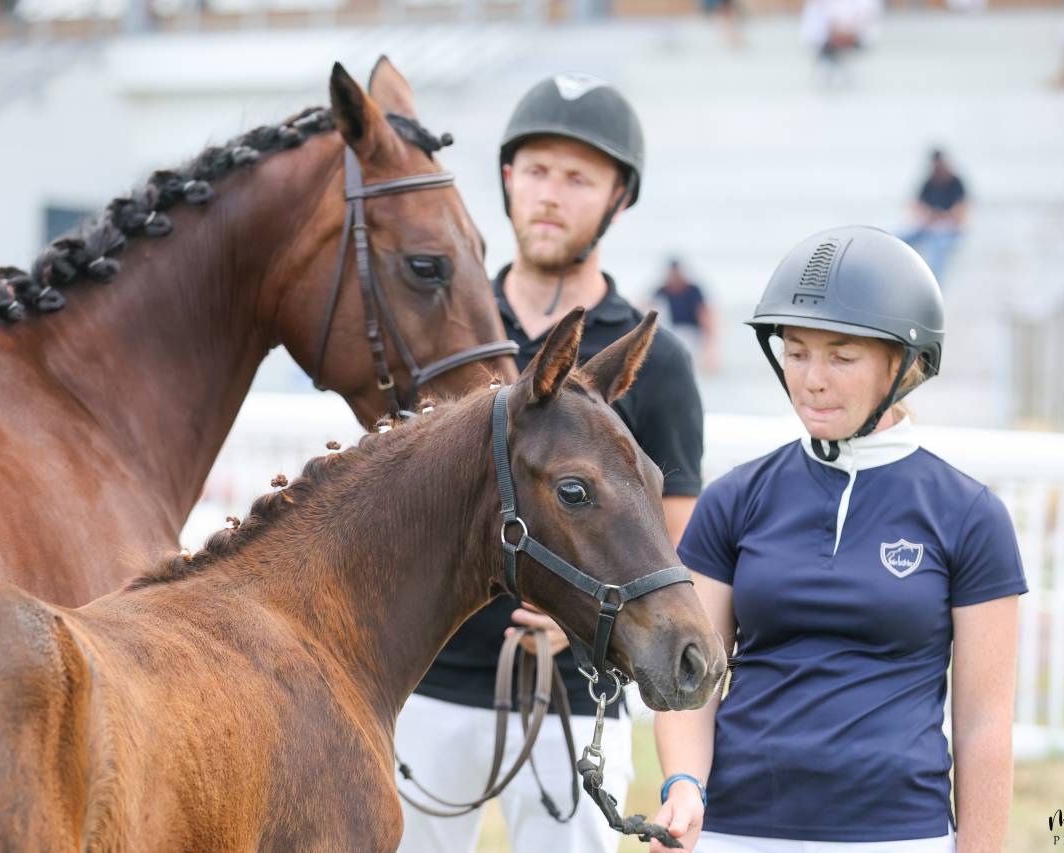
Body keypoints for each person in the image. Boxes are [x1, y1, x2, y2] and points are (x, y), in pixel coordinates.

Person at [395, 72, 705, 853]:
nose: (550, 194)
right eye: (535, 169)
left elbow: (672, 546)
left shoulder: (653, 361)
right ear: (506, 178)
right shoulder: (446, 334)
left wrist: (585, 621)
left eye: (578, 177)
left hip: (572, 693)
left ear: (618, 198)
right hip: (425, 677)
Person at [649, 225, 1026, 853]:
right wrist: (684, 785)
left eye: (841, 357)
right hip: (737, 830)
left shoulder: (970, 515)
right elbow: (693, 681)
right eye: (796, 352)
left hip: (901, 835)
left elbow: (985, 722)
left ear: (902, 365)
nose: (812, 379)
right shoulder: (735, 499)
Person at [900, 149, 967, 285]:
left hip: (947, 227)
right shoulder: (929, 182)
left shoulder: (955, 183)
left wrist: (940, 216)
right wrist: (928, 216)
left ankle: (934, 282)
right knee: (900, 238)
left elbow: (960, 211)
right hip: (929, 225)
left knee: (939, 247)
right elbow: (916, 206)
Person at [651, 258, 719, 374]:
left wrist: (710, 342)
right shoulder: (662, 290)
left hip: (691, 333)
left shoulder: (693, 290)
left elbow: (703, 313)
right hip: (670, 331)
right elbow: (649, 308)